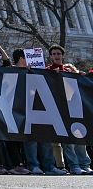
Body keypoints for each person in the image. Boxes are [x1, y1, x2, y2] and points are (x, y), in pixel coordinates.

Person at [46, 45, 92, 174]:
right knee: (68, 140)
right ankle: (74, 165)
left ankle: (85, 164)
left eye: (58, 53)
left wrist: (80, 75)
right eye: (54, 54)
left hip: (74, 107)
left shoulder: (70, 69)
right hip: (59, 108)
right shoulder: (47, 71)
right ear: (51, 56)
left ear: (63, 55)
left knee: (80, 136)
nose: (56, 56)